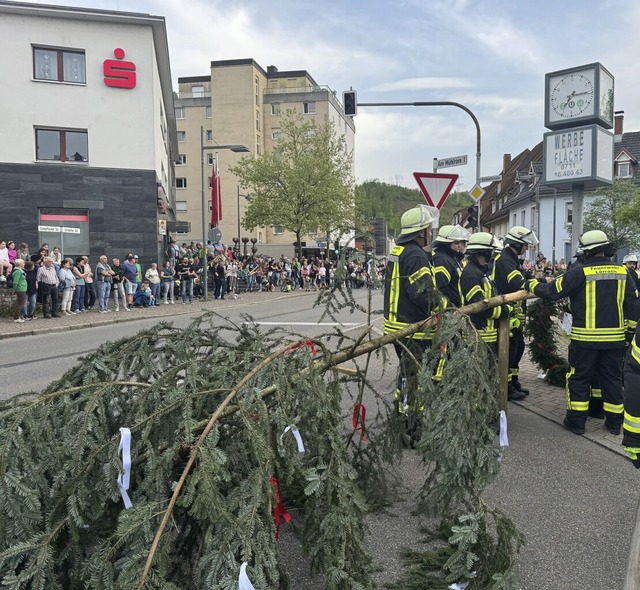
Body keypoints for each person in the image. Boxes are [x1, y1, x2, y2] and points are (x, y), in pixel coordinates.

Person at [529, 230, 638, 435]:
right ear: (605, 250)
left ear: (586, 252)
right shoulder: (624, 272)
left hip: (584, 340)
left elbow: (552, 292)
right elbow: (633, 306)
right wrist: (630, 334)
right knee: (612, 379)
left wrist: (532, 284)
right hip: (615, 341)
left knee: (579, 378)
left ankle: (576, 422)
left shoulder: (580, 271)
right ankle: (614, 423)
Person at [383, 205, 442, 422]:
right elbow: (422, 293)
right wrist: (440, 306)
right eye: (428, 228)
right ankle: (409, 424)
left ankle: (405, 416)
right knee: (413, 377)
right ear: (421, 232)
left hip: (397, 325)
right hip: (413, 328)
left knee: (408, 376)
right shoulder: (416, 255)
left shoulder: (398, 250)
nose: (430, 232)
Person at [492, 226, 539, 398]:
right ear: (516, 244)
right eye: (524, 245)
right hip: (508, 315)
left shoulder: (511, 259)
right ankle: (507, 388)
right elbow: (517, 283)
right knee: (510, 351)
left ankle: (514, 381)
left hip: (515, 316)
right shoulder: (505, 260)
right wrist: (540, 283)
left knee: (517, 349)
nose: (526, 248)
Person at [460, 233, 510, 351]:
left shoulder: (482, 271)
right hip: (480, 338)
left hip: (488, 336)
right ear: (484, 252)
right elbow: (479, 307)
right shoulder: (471, 275)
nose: (492, 254)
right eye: (491, 251)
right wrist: (504, 311)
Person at [432, 224, 470, 308]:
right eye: (456, 243)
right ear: (446, 244)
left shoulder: (452, 259)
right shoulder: (442, 260)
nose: (460, 246)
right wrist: (450, 307)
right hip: (448, 311)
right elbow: (440, 289)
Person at [11, 259, 27, 323]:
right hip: (20, 289)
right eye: (23, 263)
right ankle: (16, 317)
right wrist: (15, 289)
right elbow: (15, 282)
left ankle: (18, 316)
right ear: (20, 264)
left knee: (20, 303)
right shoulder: (18, 271)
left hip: (22, 289)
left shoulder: (21, 271)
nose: (24, 264)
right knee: (20, 303)